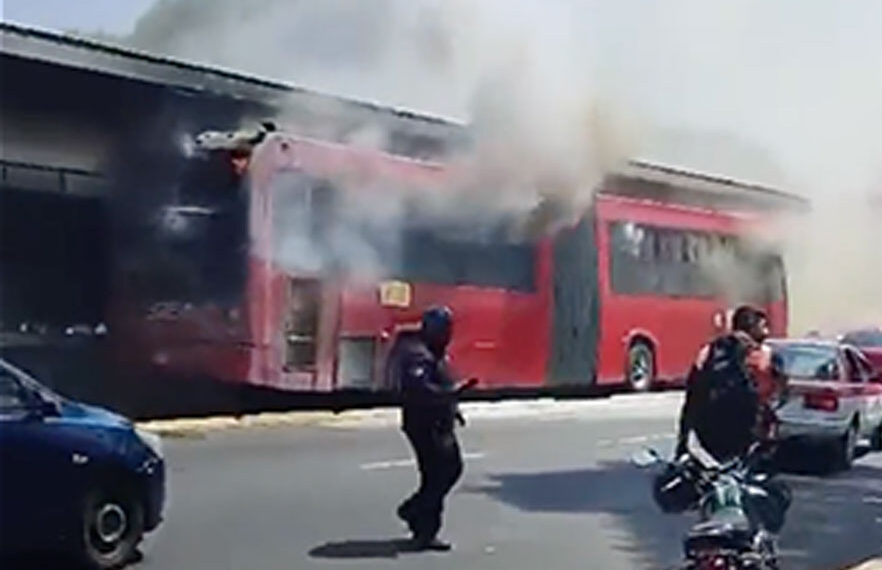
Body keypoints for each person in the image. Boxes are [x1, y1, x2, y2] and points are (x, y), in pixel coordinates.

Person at [394, 306, 477, 551]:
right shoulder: (418, 355)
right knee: (439, 474)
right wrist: (452, 393)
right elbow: (421, 389)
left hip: (440, 423)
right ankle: (416, 514)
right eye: (444, 330)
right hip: (424, 425)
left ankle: (421, 523)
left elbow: (442, 383)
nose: (448, 335)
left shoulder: (437, 352)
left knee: (444, 473)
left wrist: (455, 409)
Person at [676, 305, 786, 462]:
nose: (767, 332)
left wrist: (683, 439)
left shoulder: (709, 350)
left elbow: (692, 396)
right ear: (752, 328)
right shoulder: (766, 355)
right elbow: (779, 394)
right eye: (763, 327)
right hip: (747, 432)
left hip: (709, 431)